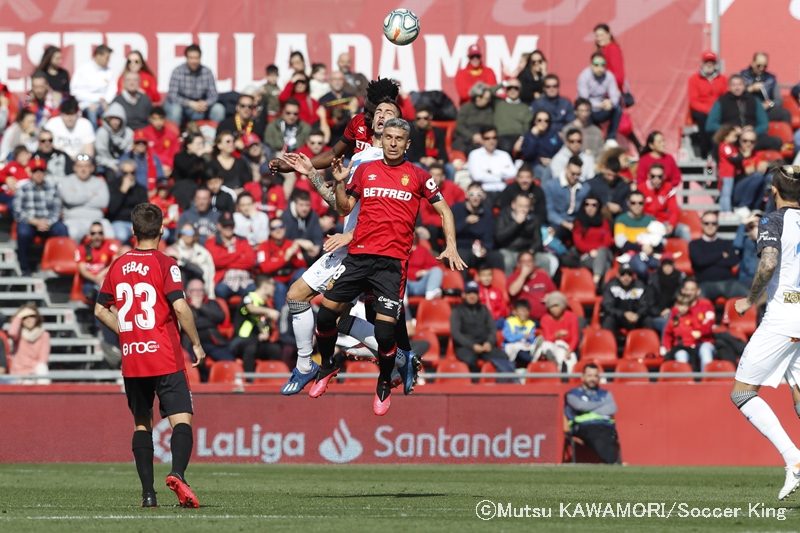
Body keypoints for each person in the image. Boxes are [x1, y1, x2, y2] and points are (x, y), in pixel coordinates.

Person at [313, 117, 465, 414]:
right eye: (388, 137)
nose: (393, 143)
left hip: (391, 264)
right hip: (359, 257)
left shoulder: (418, 176)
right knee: (326, 314)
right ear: (380, 140)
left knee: (385, 334)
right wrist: (341, 181)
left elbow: (445, 210)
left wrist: (451, 245)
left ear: (407, 144)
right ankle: (327, 365)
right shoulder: (364, 170)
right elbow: (344, 208)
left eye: (399, 139)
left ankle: (384, 381)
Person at [275, 101, 421, 398]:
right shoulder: (363, 157)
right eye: (378, 112)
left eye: (390, 114)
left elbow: (389, 216)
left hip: (367, 250)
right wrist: (311, 173)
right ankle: (399, 358)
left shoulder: (390, 163)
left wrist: (351, 235)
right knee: (325, 313)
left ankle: (308, 365)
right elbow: (341, 206)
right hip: (352, 247)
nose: (382, 117)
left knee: (305, 299)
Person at [95, 203, 205, 508]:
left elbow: (100, 309)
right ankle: (178, 473)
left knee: (142, 422)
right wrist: (196, 343)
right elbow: (180, 307)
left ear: (133, 231)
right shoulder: (165, 263)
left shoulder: (117, 265)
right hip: (165, 355)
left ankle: (148, 494)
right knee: (181, 419)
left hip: (133, 357)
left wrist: (127, 332)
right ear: (162, 230)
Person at [730, 165, 800, 500]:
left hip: (785, 315)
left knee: (742, 393)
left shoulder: (773, 220)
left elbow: (769, 262)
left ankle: (794, 459)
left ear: (773, 192)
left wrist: (749, 300)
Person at [13, 161, 68, 275]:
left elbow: (57, 210)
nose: (38, 174)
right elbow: (17, 211)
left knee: (61, 229)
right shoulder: (23, 188)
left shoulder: (53, 188)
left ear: (45, 173)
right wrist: (34, 221)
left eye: (41, 171)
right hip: (30, 222)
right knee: (23, 232)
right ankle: (25, 268)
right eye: (35, 171)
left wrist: (47, 222)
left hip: (48, 222)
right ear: (31, 173)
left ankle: (59, 265)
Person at [565, 363, 621, 464]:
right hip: (583, 426)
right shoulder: (573, 393)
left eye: (595, 376)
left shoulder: (605, 393)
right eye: (589, 375)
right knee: (598, 433)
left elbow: (612, 408)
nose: (593, 379)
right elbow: (580, 406)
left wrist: (589, 408)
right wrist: (601, 404)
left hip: (605, 426)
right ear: (582, 377)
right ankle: (612, 462)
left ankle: (612, 462)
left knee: (609, 434)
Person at [705, 75, 778, 152]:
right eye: (734, 85)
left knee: (776, 142)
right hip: (732, 138)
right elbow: (710, 125)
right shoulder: (721, 101)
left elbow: (764, 124)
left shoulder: (754, 100)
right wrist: (731, 130)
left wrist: (752, 131)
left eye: (740, 84)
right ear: (729, 87)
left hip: (752, 137)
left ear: (744, 86)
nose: (737, 88)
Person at [688, 211, 748, 301]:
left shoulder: (726, 243)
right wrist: (721, 254)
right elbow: (699, 262)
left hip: (728, 283)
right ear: (701, 225)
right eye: (706, 223)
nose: (710, 226)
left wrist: (707, 259)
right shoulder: (694, 244)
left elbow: (733, 261)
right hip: (705, 283)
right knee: (695, 300)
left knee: (751, 297)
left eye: (713, 223)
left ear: (717, 225)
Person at [230, 275, 282, 374]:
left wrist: (266, 333)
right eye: (273, 285)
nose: (275, 288)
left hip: (257, 342)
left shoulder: (265, 305)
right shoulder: (248, 297)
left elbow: (265, 326)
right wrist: (268, 312)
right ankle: (249, 380)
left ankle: (270, 379)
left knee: (275, 349)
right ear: (265, 286)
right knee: (250, 346)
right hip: (240, 341)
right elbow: (250, 308)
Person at [451, 280, 506, 372]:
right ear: (464, 295)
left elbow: (492, 329)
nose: (472, 296)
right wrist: (472, 345)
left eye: (475, 293)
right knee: (469, 359)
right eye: (469, 293)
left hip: (484, 345)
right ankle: (474, 381)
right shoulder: (457, 311)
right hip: (466, 347)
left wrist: (489, 342)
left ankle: (501, 380)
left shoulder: (484, 309)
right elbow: (456, 333)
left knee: (502, 356)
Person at [663, 278, 715, 370]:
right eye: (687, 289)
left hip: (703, 342)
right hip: (683, 345)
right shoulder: (676, 310)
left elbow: (710, 324)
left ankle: (707, 378)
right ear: (683, 290)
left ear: (698, 291)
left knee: (705, 351)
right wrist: (668, 347)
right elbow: (670, 330)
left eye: (692, 290)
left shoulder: (706, 304)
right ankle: (685, 378)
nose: (689, 292)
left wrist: (700, 332)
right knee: (681, 356)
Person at [165, 44, 225, 125]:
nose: (194, 61)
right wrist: (190, 103)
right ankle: (174, 132)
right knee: (175, 110)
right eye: (191, 58)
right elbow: (172, 95)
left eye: (196, 58)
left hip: (202, 106)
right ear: (186, 58)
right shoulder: (177, 71)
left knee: (218, 109)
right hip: (183, 106)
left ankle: (214, 132)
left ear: (200, 58)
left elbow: (214, 95)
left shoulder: (207, 72)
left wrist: (205, 103)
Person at [57, 154, 112, 241]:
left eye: (86, 166)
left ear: (92, 168)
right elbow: (69, 199)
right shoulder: (66, 181)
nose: (83, 169)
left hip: (97, 220)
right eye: (80, 166)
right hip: (73, 220)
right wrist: (91, 194)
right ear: (74, 168)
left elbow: (103, 202)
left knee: (110, 234)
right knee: (73, 233)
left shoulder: (100, 182)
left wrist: (77, 197)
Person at [600, 263, 656, 347]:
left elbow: (645, 305)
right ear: (618, 275)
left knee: (648, 320)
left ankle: (648, 347)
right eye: (623, 274)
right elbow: (607, 306)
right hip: (618, 317)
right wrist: (624, 314)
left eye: (629, 274)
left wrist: (638, 315)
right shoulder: (611, 286)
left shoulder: (639, 286)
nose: (626, 277)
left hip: (635, 317)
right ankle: (607, 347)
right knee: (608, 321)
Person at [205, 211, 257, 300]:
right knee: (220, 291)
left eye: (231, 226)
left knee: (254, 291)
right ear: (219, 226)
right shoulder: (212, 242)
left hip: (245, 280)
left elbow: (250, 261)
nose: (229, 228)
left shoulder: (243, 240)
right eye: (225, 226)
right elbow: (216, 261)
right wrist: (239, 254)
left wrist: (226, 260)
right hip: (224, 280)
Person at [688, 51, 727, 159]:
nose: (709, 65)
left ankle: (720, 152)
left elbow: (725, 97)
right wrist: (709, 110)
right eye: (707, 62)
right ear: (702, 64)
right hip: (701, 111)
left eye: (712, 62)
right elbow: (693, 101)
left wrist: (716, 110)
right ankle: (706, 152)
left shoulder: (723, 79)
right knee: (704, 121)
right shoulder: (694, 79)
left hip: (718, 110)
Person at [183, 278, 231, 365]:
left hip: (213, 341)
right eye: (194, 290)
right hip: (192, 343)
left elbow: (220, 318)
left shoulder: (211, 303)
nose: (198, 293)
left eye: (200, 290)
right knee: (195, 363)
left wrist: (201, 307)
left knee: (229, 361)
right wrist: (209, 322)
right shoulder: (184, 306)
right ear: (188, 292)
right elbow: (185, 323)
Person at [543, 156, 590, 243]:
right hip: (557, 223)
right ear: (566, 169)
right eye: (573, 174)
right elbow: (549, 211)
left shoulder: (585, 188)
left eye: (578, 174)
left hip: (576, 223)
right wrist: (564, 223)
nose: (575, 177)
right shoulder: (551, 186)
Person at [577, 52, 621, 142]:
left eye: (602, 65)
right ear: (591, 65)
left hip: (602, 109)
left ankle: (611, 139)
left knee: (617, 109)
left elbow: (615, 95)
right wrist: (599, 105)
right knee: (584, 108)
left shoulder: (609, 76)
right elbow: (584, 99)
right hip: (588, 110)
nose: (600, 68)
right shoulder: (584, 76)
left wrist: (611, 103)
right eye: (596, 65)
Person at [571, 194, 614, 287]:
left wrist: (597, 251)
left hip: (603, 253)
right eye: (587, 205)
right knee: (606, 265)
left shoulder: (604, 222)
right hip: (587, 255)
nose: (590, 208)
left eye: (594, 205)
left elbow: (607, 241)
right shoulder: (579, 222)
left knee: (602, 250)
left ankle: (596, 280)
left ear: (598, 207)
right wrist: (591, 251)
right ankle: (601, 289)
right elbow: (578, 243)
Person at [165, 223, 216, 298]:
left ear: (194, 234)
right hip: (181, 289)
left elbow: (208, 274)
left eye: (190, 232)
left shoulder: (203, 252)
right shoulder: (172, 250)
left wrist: (211, 296)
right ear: (180, 234)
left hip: (200, 289)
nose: (187, 235)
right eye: (184, 232)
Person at [70, 44, 116, 127]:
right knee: (92, 113)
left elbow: (112, 89)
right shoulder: (83, 69)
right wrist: (95, 100)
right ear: (98, 56)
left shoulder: (109, 71)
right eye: (107, 58)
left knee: (115, 113)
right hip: (86, 104)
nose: (108, 61)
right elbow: (75, 91)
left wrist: (106, 101)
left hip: (105, 104)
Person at [507, 251, 557, 322]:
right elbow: (512, 292)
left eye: (529, 261)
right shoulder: (514, 277)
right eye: (524, 262)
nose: (527, 264)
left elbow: (555, 294)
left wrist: (551, 297)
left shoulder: (543, 276)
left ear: (534, 263)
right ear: (519, 264)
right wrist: (523, 275)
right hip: (523, 319)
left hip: (543, 318)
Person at [76, 221, 120, 302]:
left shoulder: (109, 246)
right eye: (93, 233)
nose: (97, 236)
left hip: (106, 280)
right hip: (89, 282)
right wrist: (97, 279)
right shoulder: (82, 249)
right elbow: (83, 271)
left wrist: (102, 275)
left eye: (100, 233)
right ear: (89, 235)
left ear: (103, 234)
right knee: (92, 293)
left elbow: (116, 262)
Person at [740, 52, 789, 123]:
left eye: (765, 66)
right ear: (753, 63)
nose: (761, 68)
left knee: (785, 114)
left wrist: (769, 104)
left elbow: (778, 100)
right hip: (748, 109)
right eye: (759, 65)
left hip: (766, 110)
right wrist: (751, 89)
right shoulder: (743, 76)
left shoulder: (771, 79)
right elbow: (737, 95)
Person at [536, 291, 579, 372]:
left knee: (569, 362)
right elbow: (547, 338)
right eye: (552, 306)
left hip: (566, 347)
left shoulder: (571, 317)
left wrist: (570, 350)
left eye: (556, 306)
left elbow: (575, 337)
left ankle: (564, 372)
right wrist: (557, 335)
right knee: (545, 345)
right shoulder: (545, 319)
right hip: (552, 345)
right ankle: (553, 361)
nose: (554, 309)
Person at [466, 126, 516, 193]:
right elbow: (477, 177)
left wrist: (490, 172)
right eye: (487, 138)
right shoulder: (474, 155)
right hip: (483, 191)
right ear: (482, 139)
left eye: (494, 138)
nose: (491, 141)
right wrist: (501, 177)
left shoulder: (504, 155)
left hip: (503, 191)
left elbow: (513, 173)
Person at [108, 161, 148, 243]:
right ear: (120, 173)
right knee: (121, 235)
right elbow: (112, 209)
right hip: (119, 221)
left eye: (132, 173)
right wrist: (122, 191)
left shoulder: (140, 189)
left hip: (135, 223)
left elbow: (143, 210)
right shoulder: (113, 186)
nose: (129, 176)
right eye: (125, 173)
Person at [7, 304, 50, 381]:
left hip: (34, 373)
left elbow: (43, 359)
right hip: (18, 374)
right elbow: (12, 332)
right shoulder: (18, 334)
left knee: (42, 368)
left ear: (37, 318)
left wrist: (32, 373)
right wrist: (19, 316)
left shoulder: (44, 335)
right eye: (25, 317)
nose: (29, 319)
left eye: (32, 316)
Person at [518, 110, 562, 181]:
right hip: (534, 165)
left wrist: (552, 161)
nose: (543, 123)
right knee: (545, 172)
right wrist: (533, 136)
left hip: (552, 164)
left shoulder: (554, 135)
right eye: (539, 120)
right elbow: (528, 155)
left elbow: (560, 151)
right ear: (534, 122)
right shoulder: (529, 135)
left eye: (546, 121)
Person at [453, 82, 495, 154]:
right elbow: (460, 126)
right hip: (467, 138)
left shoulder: (490, 109)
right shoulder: (466, 108)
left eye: (488, 99)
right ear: (477, 98)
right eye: (486, 98)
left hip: (485, 137)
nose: (488, 101)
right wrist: (472, 136)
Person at [493, 78, 532, 153]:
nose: (513, 90)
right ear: (506, 89)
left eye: (516, 88)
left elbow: (527, 127)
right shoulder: (498, 103)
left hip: (519, 137)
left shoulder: (525, 107)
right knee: (505, 147)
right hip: (501, 136)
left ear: (520, 90)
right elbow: (488, 92)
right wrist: (503, 84)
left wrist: (521, 140)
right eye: (510, 88)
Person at [171, 132, 208, 209]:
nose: (201, 146)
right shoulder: (179, 156)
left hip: (196, 189)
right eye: (198, 144)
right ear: (189, 145)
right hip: (182, 189)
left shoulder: (201, 159)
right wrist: (197, 156)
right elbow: (187, 170)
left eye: (202, 143)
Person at [94, 102, 133, 176]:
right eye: (113, 119)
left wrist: (122, 164)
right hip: (105, 164)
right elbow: (100, 155)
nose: (115, 122)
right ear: (108, 119)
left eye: (118, 119)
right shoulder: (102, 133)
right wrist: (111, 164)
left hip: (124, 164)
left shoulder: (128, 133)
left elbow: (128, 152)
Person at [319, 70, 358, 143]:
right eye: (335, 79)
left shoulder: (351, 98)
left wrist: (353, 110)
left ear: (344, 81)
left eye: (340, 79)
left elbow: (356, 119)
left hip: (348, 137)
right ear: (330, 81)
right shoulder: (323, 99)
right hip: (330, 137)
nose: (337, 82)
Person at [139, 107, 180, 172]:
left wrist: (169, 166)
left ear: (165, 119)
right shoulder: (144, 134)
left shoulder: (172, 135)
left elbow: (175, 154)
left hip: (167, 168)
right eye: (155, 119)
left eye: (161, 118)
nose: (158, 122)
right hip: (149, 167)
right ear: (150, 119)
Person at [501, 300, 537, 366]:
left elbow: (532, 338)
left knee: (532, 349)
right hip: (511, 346)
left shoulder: (531, 324)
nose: (524, 313)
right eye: (522, 311)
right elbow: (509, 338)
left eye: (526, 311)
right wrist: (522, 335)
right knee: (521, 353)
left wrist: (530, 339)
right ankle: (534, 361)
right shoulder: (509, 321)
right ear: (515, 312)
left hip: (525, 346)